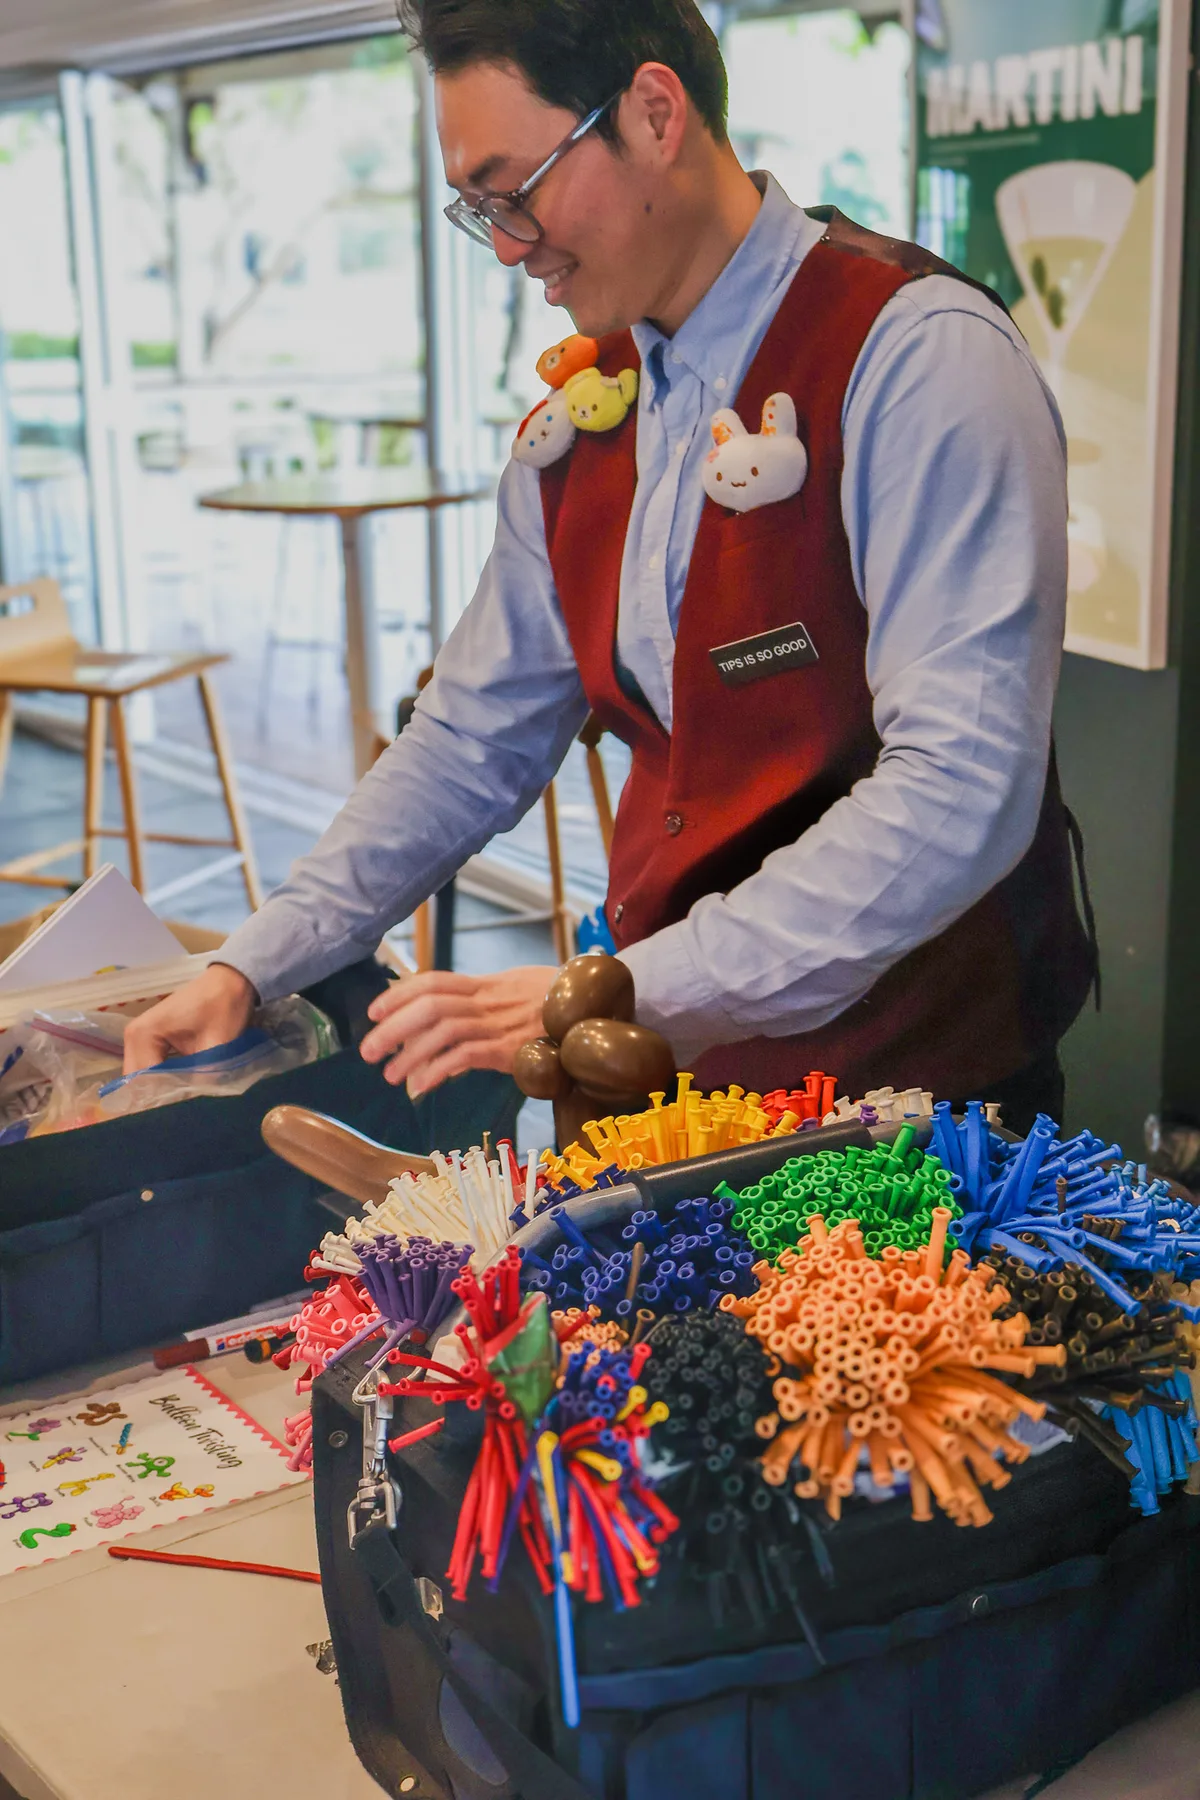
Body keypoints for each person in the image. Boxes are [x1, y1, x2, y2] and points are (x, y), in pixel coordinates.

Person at [124, 0, 1095, 1134]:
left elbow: (960, 791)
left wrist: (629, 988)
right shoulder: (583, 418)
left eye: (516, 189)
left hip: (911, 1106)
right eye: (475, 206)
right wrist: (254, 963)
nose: (503, 244)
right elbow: (469, 738)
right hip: (652, 1088)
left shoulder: (917, 357)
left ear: (653, 111)